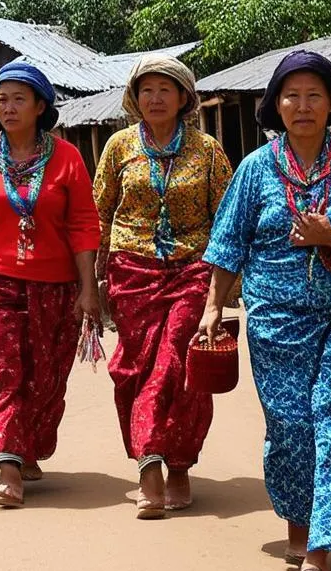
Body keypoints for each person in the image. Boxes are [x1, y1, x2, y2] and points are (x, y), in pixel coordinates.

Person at [200, 50, 331, 571]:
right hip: (274, 318)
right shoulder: (254, 170)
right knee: (290, 427)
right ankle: (299, 521)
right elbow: (228, 243)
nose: (303, 105)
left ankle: (321, 547)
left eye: (314, 95)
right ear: (275, 106)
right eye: (292, 96)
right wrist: (214, 306)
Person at [0, 62, 100, 508]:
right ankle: (8, 465)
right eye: (1, 99)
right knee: (2, 369)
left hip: (54, 284)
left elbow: (84, 226)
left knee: (44, 376)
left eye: (18, 99)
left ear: (40, 106)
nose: (7, 107)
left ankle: (25, 445)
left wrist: (89, 289)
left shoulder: (66, 157)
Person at [93, 54, 232, 519]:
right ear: (135, 98)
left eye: (165, 90)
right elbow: (98, 214)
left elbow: (226, 220)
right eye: (146, 90)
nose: (155, 98)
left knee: (178, 363)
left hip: (192, 269)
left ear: (183, 98)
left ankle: (170, 465)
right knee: (133, 367)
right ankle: (150, 456)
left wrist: (226, 286)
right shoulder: (117, 147)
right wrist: (91, 283)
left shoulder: (208, 150)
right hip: (131, 271)